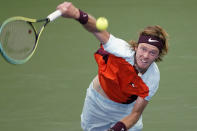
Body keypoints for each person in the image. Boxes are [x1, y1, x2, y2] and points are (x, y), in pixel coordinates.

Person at [56, 2, 169, 131]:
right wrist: (77, 13)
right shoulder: (121, 50)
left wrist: (119, 128)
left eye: (152, 52)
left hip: (126, 109)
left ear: (158, 55)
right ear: (136, 47)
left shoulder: (153, 77)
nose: (146, 55)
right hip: (97, 104)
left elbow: (136, 113)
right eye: (143, 49)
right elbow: (98, 29)